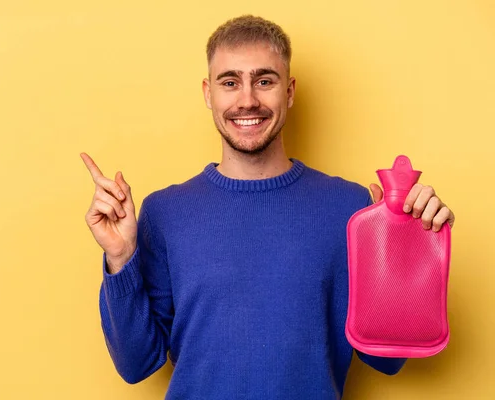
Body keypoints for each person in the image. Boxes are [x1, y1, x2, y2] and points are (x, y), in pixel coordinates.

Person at [80, 15, 455, 400]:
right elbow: (136, 364)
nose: (247, 100)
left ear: (288, 91)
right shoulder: (164, 212)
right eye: (230, 82)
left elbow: (386, 361)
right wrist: (121, 258)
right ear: (209, 94)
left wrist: (407, 245)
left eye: (264, 81)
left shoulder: (350, 208)